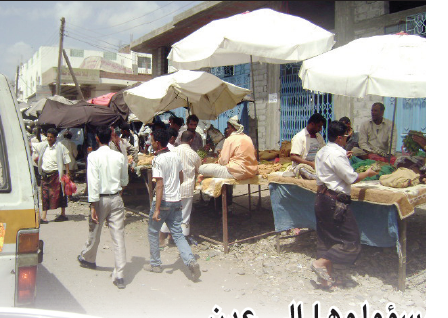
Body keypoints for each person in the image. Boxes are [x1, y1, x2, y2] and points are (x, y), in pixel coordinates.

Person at [311, 121, 378, 289]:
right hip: (334, 201)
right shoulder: (337, 154)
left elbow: (332, 168)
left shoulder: (323, 151)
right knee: (351, 242)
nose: (347, 140)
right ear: (340, 138)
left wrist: (344, 157)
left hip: (321, 198)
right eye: (347, 137)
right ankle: (321, 263)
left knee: (327, 239)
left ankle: (326, 279)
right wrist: (368, 173)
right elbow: (352, 178)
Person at [144, 129, 201, 281]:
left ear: (157, 142)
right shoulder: (176, 157)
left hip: (163, 201)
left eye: (152, 140)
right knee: (178, 234)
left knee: (153, 231)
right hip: (176, 201)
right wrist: (175, 189)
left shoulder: (157, 160)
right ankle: (190, 261)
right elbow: (181, 177)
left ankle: (155, 264)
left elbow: (160, 185)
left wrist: (157, 209)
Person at [77, 125, 129, 289]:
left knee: (95, 230)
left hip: (100, 199)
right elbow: (125, 181)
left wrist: (92, 205)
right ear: (111, 137)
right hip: (115, 198)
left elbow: (93, 181)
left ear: (97, 138)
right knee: (118, 237)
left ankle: (89, 258)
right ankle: (120, 274)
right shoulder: (119, 156)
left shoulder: (93, 156)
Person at [160, 130, 201, 245]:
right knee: (184, 214)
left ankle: (166, 237)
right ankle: (181, 239)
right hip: (186, 188)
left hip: (172, 187)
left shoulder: (172, 151)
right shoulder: (193, 154)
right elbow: (199, 169)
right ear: (191, 140)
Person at [198, 116, 257, 181]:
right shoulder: (247, 138)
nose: (227, 130)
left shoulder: (230, 139)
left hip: (238, 172)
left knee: (202, 168)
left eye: (228, 128)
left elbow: (223, 161)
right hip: (252, 171)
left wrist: (219, 158)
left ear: (233, 128)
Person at [35, 128, 71, 223]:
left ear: (55, 137)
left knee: (60, 194)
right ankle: (44, 217)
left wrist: (67, 173)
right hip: (45, 175)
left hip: (56, 175)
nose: (49, 138)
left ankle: (63, 214)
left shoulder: (60, 147)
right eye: (48, 136)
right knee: (45, 195)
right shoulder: (44, 147)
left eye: (51, 137)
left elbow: (66, 160)